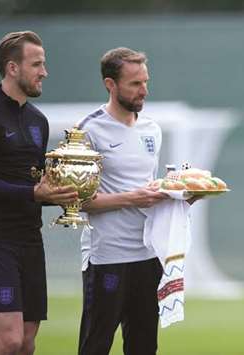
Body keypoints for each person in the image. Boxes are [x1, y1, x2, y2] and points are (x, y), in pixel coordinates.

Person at [0, 31, 78, 355]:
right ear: (12, 68)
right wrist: (34, 194)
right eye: (37, 64)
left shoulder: (39, 121)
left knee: (26, 344)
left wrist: (59, 194)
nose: (44, 72)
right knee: (7, 340)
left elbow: (36, 185)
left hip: (30, 241)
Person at [77, 47, 170, 355]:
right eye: (134, 83)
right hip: (107, 259)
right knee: (96, 345)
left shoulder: (152, 130)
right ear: (110, 84)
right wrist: (132, 198)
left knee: (144, 346)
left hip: (147, 256)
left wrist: (179, 196)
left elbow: (149, 189)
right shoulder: (87, 131)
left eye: (145, 81)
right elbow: (80, 201)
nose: (144, 90)